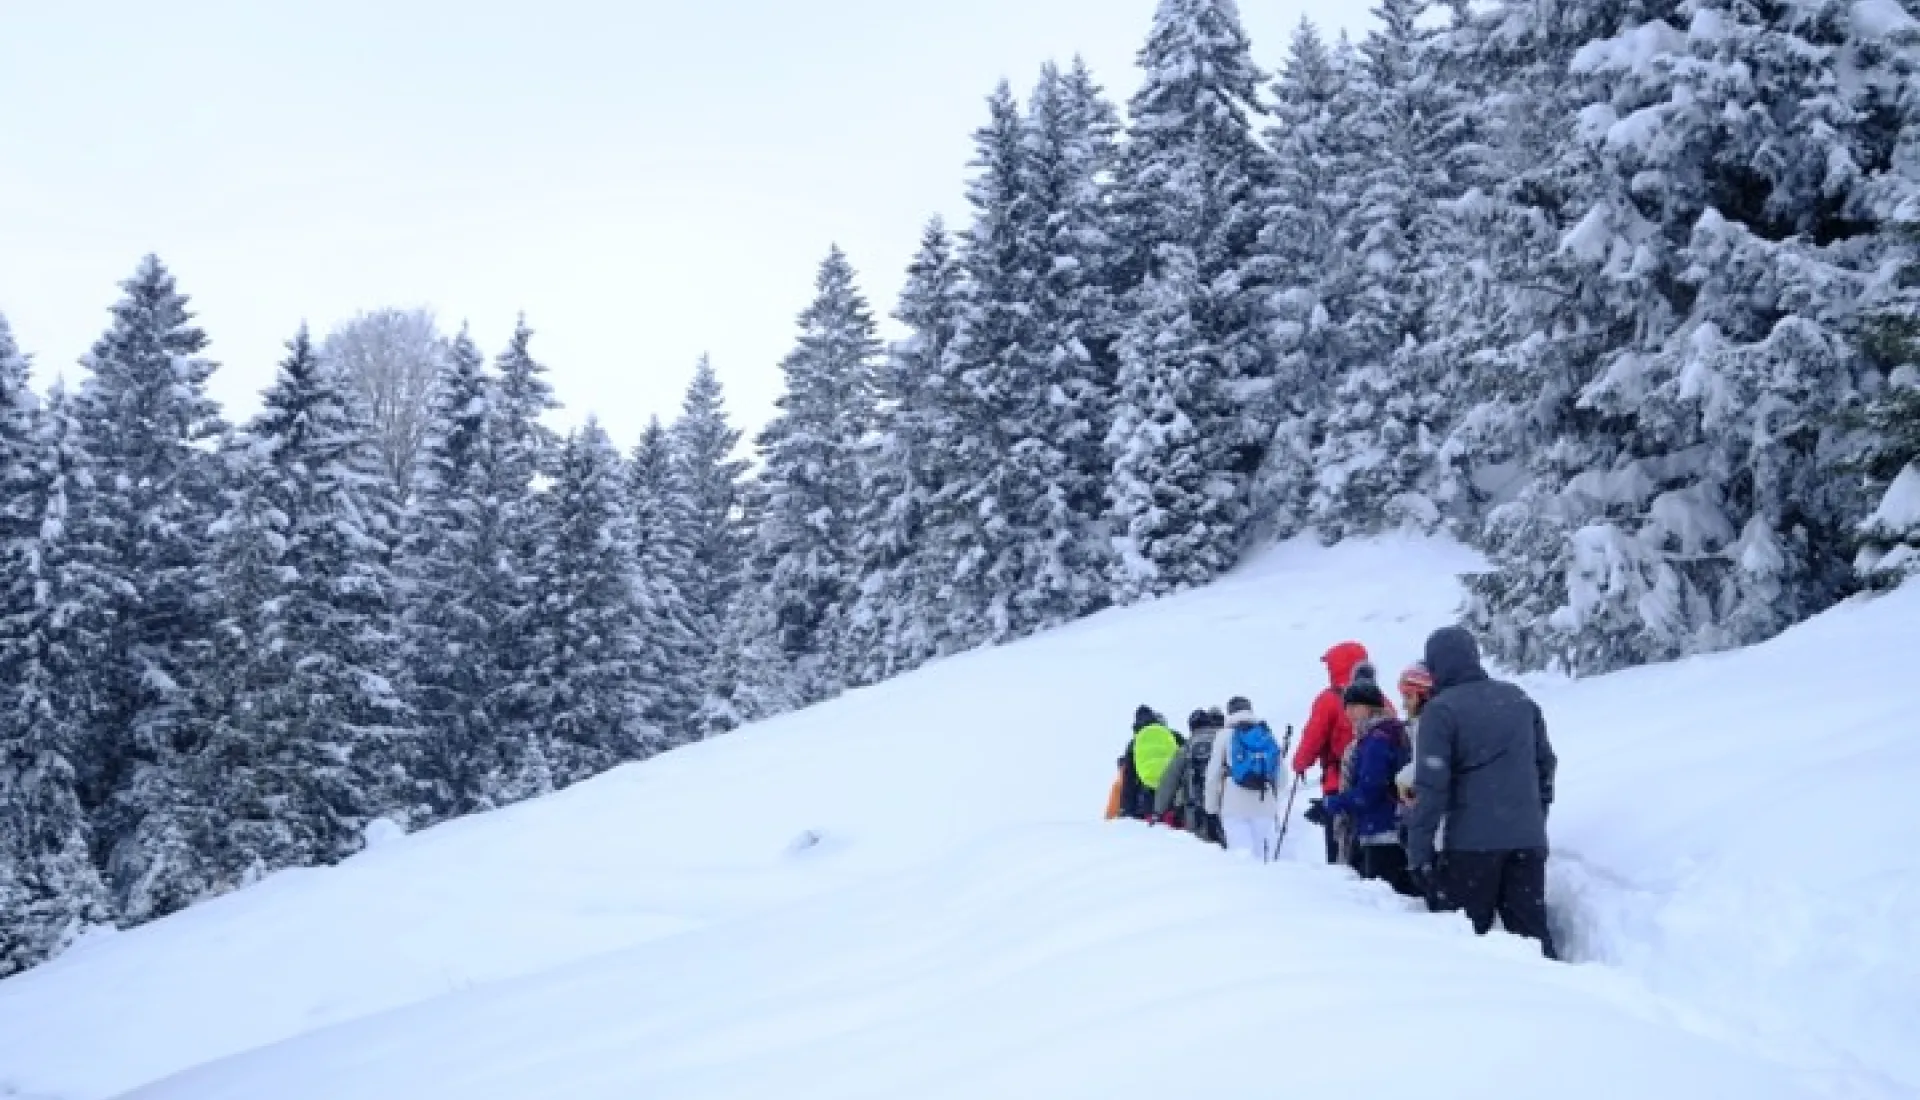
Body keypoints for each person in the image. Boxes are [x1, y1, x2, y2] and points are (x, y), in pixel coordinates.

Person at [1404, 627, 1560, 959]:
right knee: (1532, 936)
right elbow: (1545, 766)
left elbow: (1431, 788)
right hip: (1526, 842)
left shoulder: (1441, 711)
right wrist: (1535, 815)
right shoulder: (1518, 699)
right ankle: (1558, 1001)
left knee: (1465, 946)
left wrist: (1419, 854)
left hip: (1471, 849)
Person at [1321, 673, 1418, 896]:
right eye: (1347, 707)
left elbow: (1369, 791)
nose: (1349, 713)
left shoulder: (1376, 740)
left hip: (1381, 832)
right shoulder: (1393, 732)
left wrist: (1332, 804)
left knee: (1384, 904)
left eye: (1355, 706)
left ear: (1371, 707)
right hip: (1397, 828)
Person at [1293, 641, 1374, 863]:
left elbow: (1313, 736)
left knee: (1339, 848)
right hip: (1373, 786)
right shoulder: (1379, 698)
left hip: (1337, 784)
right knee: (1366, 848)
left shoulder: (1329, 699)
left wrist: (1300, 763)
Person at [1205, 696, 1285, 859]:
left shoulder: (1224, 736)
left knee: (1242, 858)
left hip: (1234, 806)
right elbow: (1281, 775)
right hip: (1264, 805)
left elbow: (1212, 775)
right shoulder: (1265, 733)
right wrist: (1273, 799)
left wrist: (1211, 807)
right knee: (1263, 858)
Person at [1156, 709, 1225, 845]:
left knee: (1201, 849)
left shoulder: (1187, 747)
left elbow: (1170, 780)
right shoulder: (1223, 741)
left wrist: (1158, 810)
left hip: (1195, 809)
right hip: (1224, 803)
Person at [1125, 705, 1182, 825]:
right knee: (1173, 823)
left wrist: (1127, 809)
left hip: (1147, 794)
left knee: (1153, 830)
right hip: (1172, 789)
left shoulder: (1134, 742)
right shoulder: (1171, 734)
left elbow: (1129, 778)